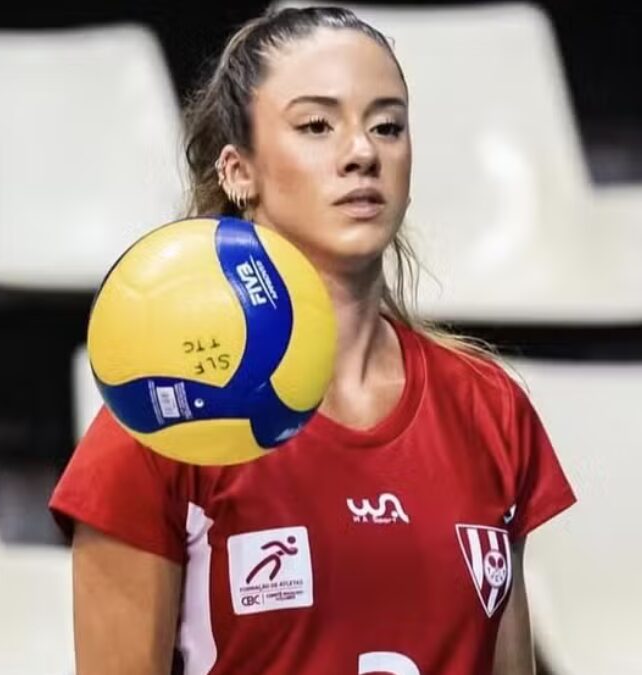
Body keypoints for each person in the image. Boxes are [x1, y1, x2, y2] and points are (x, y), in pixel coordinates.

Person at [50, 7, 576, 674]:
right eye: (316, 126)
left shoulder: (489, 407)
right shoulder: (167, 414)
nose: (362, 153)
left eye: (388, 125)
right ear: (240, 171)